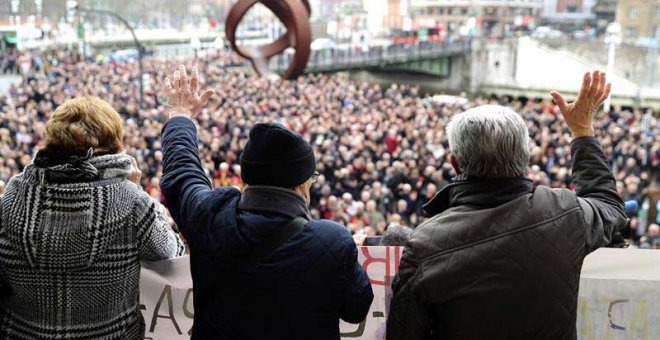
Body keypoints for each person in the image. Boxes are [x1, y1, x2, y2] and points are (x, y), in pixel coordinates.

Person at [387, 71, 627, 339]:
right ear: (525, 159)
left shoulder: (425, 244)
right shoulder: (566, 212)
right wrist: (582, 132)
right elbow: (608, 206)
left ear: (455, 164)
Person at [159, 65, 374, 340]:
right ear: (301, 183)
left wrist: (180, 116)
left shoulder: (210, 216)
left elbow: (182, 172)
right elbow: (356, 308)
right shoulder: (333, 240)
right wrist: (343, 255)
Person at [0, 96, 184, 339]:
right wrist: (136, 191)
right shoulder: (130, 201)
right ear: (113, 141)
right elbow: (172, 256)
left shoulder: (12, 198)